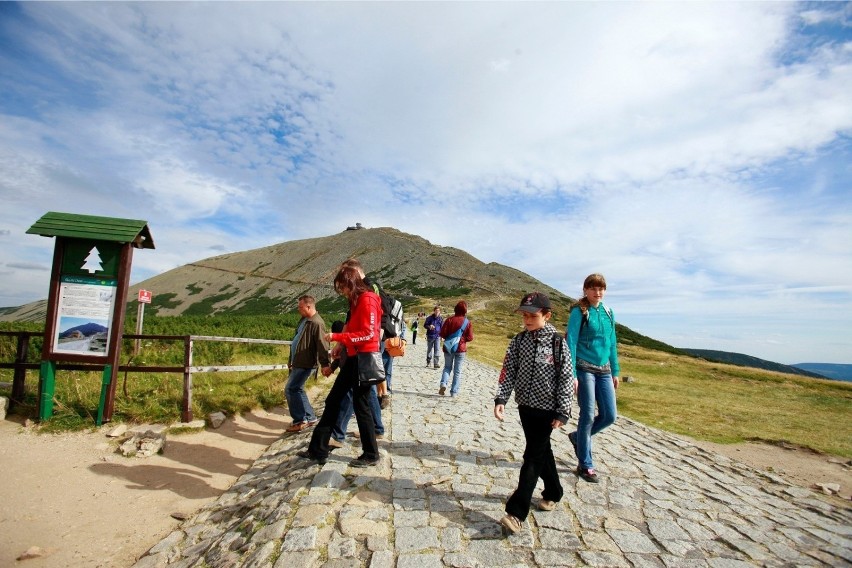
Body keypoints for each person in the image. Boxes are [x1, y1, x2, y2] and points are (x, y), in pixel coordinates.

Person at [494, 292, 574, 535]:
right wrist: (501, 398)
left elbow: (566, 378)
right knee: (541, 451)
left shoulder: (558, 343)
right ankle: (554, 492)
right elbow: (509, 370)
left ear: (547, 316)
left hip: (548, 410)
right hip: (525, 408)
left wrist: (563, 411)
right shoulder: (519, 341)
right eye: (524, 315)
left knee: (532, 456)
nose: (527, 320)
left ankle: (516, 513)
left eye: (533, 315)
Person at [297, 265, 382, 467]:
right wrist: (341, 346)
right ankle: (317, 449)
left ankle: (371, 454)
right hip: (352, 358)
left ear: (351, 283)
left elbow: (369, 334)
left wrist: (338, 337)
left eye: (343, 287)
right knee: (334, 400)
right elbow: (354, 329)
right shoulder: (356, 301)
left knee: (361, 407)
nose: (342, 292)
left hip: (362, 360)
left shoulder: (368, 299)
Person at [565, 273, 620, 484]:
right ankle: (585, 464)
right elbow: (571, 341)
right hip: (584, 368)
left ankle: (578, 437)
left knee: (609, 415)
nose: (598, 292)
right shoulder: (580, 312)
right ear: (586, 290)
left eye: (601, 288)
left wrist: (615, 370)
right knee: (587, 415)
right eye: (593, 288)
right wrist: (572, 373)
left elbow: (612, 342)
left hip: (604, 370)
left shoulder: (608, 312)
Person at [285, 295, 331, 432]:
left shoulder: (317, 323)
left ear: (309, 306)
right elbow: (297, 340)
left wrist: (325, 364)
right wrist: (291, 360)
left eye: (300, 307)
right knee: (298, 389)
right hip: (299, 361)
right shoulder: (305, 320)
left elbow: (323, 345)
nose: (298, 309)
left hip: (306, 362)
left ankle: (300, 420)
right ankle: (310, 417)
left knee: (291, 389)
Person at [438, 301, 474, 397]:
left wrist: (450, 339)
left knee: (447, 367)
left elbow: (442, 334)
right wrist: (461, 340)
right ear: (465, 310)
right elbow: (470, 337)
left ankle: (443, 383)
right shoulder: (467, 322)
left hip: (449, 348)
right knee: (457, 371)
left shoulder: (449, 320)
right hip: (461, 349)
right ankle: (454, 392)